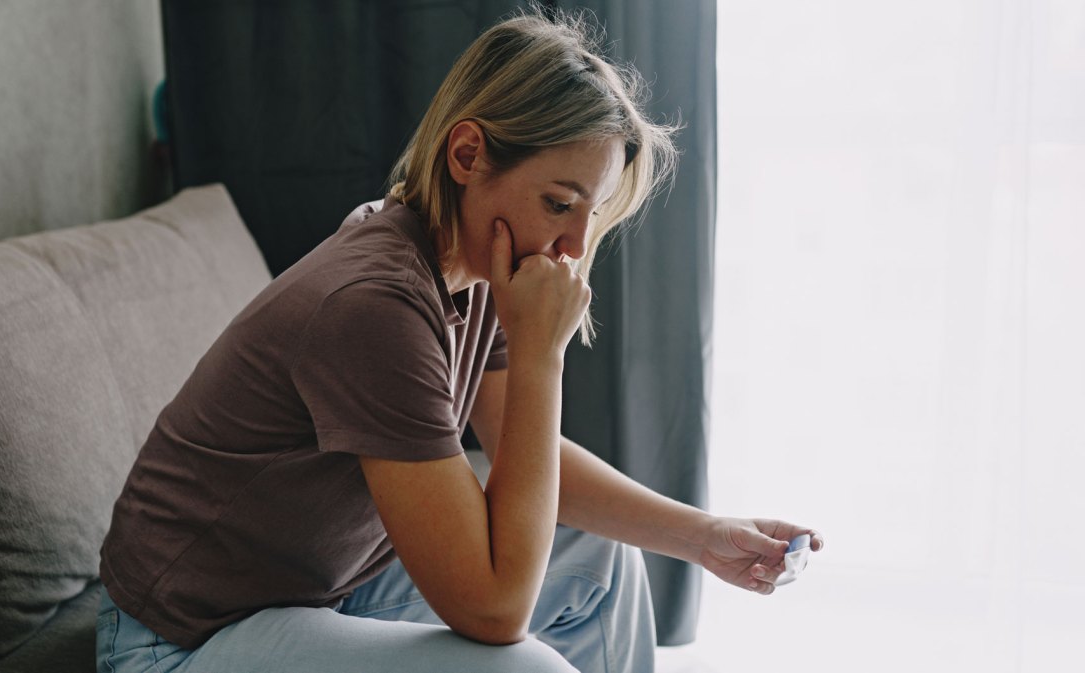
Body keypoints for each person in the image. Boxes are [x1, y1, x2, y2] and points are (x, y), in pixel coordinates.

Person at [96, 10, 823, 673]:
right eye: (558, 204)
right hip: (181, 639)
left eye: (591, 213)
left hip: (323, 583)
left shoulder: (466, 268)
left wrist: (704, 536)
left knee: (603, 561)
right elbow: (496, 607)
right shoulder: (374, 304)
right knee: (523, 667)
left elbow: (520, 447)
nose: (574, 247)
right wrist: (542, 354)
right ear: (468, 155)